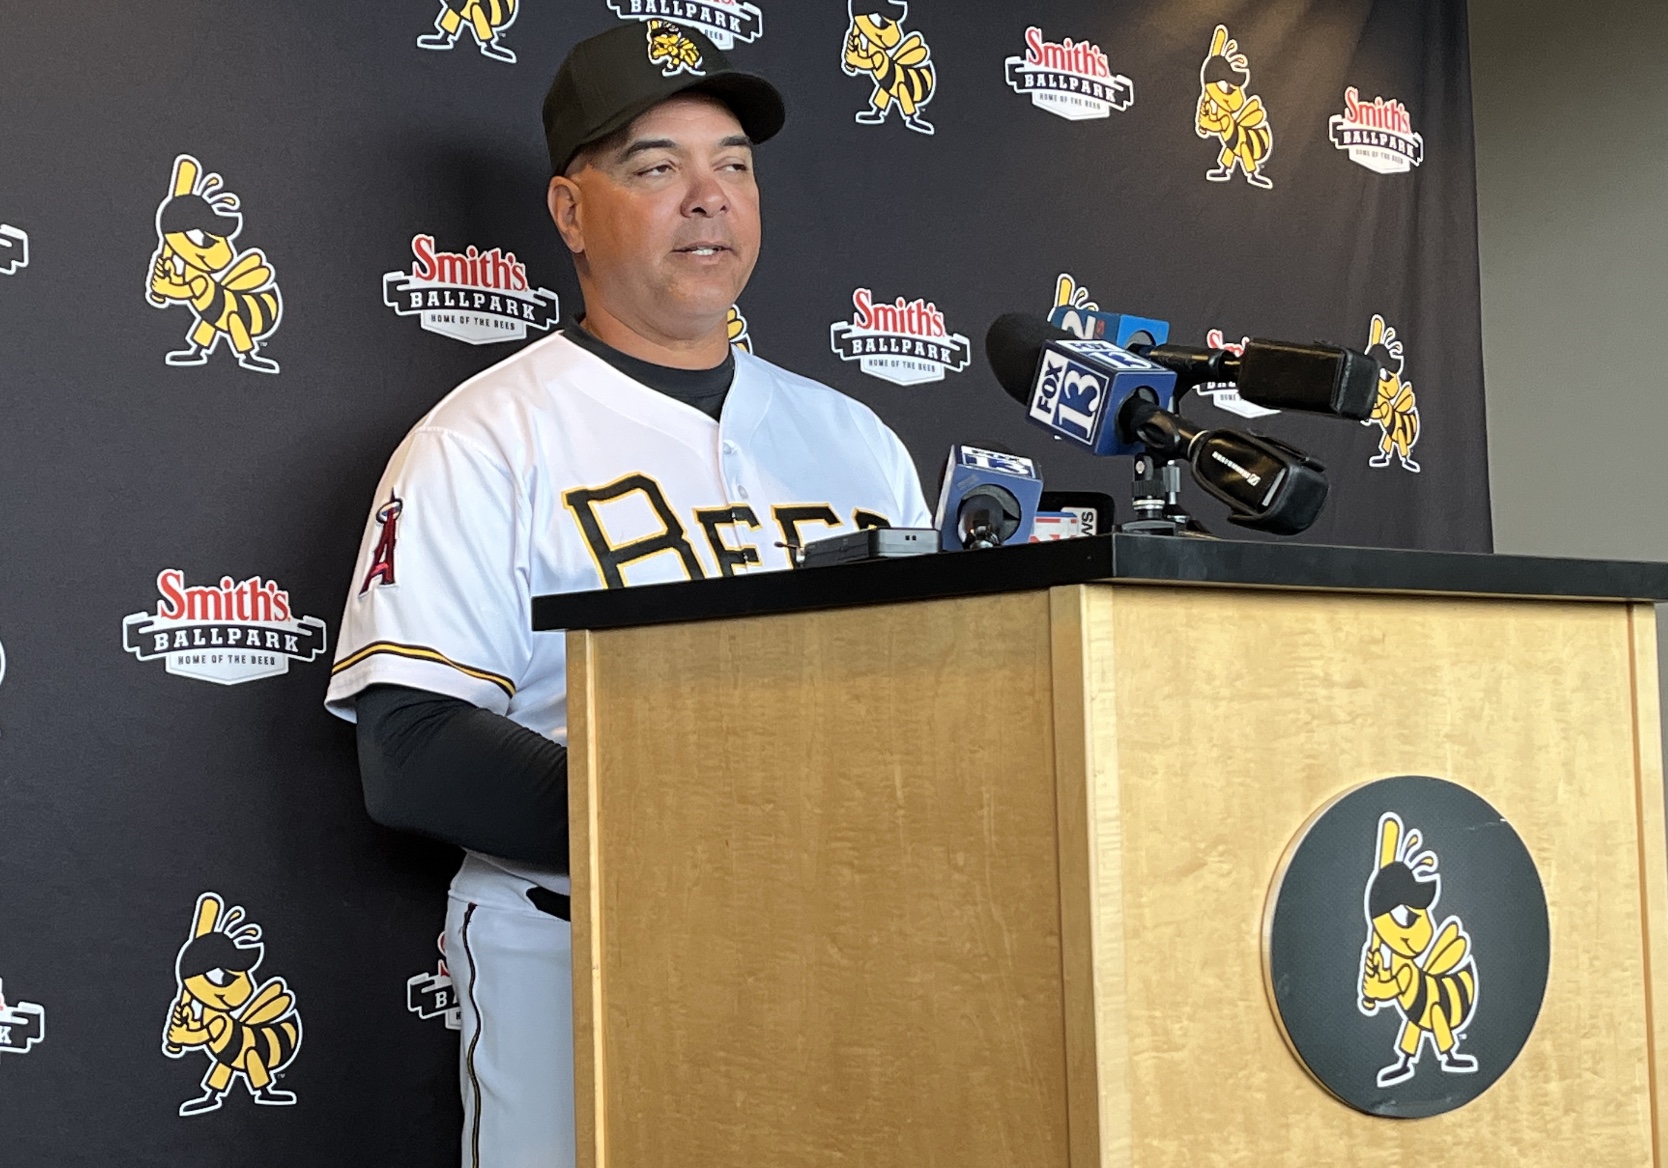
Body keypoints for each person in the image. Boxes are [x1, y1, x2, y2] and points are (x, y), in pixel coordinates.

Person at [325, 21, 930, 1168]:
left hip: (835, 952)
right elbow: (413, 745)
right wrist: (714, 830)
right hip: (577, 951)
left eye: (734, 165)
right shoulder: (484, 438)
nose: (709, 198)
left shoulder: (859, 442)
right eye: (657, 168)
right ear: (569, 211)